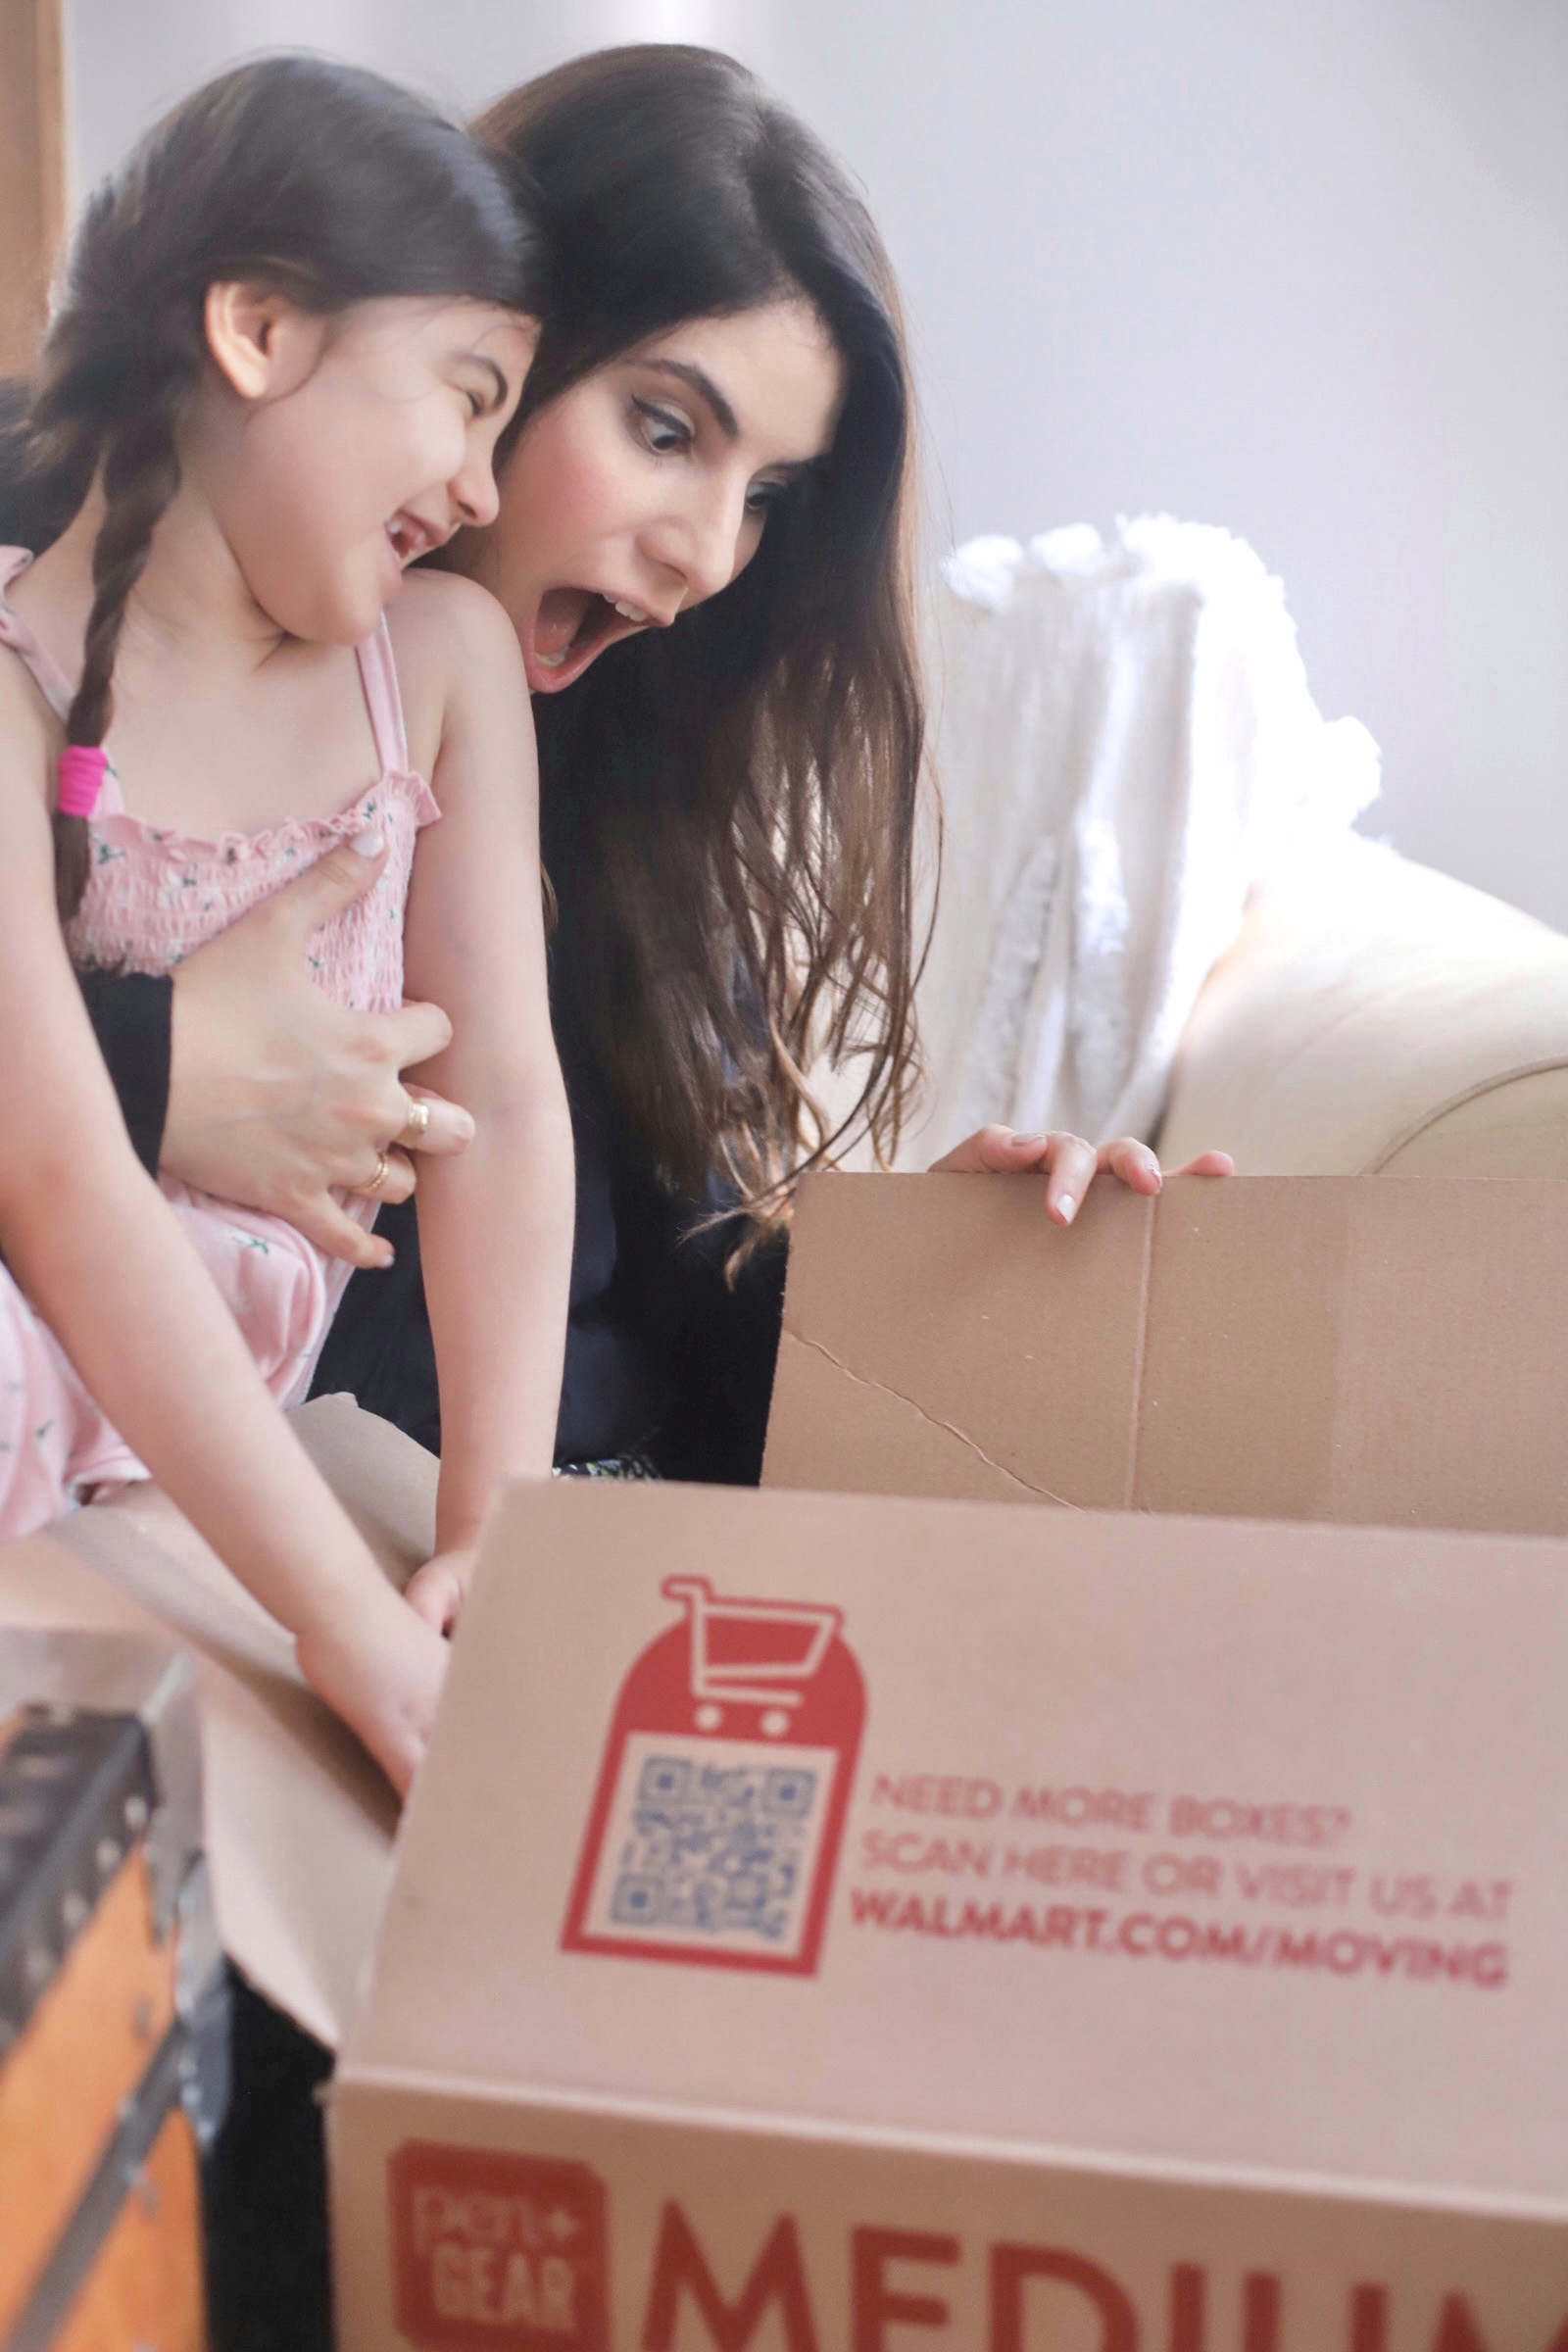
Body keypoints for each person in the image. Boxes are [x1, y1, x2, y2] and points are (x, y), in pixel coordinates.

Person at [76, 47, 1227, 1513]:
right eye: (665, 430)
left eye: (766, 495)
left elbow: (680, 1292)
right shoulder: (62, 550)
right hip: (225, 1513)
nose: (707, 554)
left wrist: (939, 1284)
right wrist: (151, 1064)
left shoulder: (625, 733)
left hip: (565, 1527)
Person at [0, 56, 573, 1788]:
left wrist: (501, 1519)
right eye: (467, 398)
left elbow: (506, 1103)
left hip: (196, 1435)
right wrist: (350, 1631)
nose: (483, 486)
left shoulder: (442, 667)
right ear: (256, 330)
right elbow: (61, 1178)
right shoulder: (15, 696)